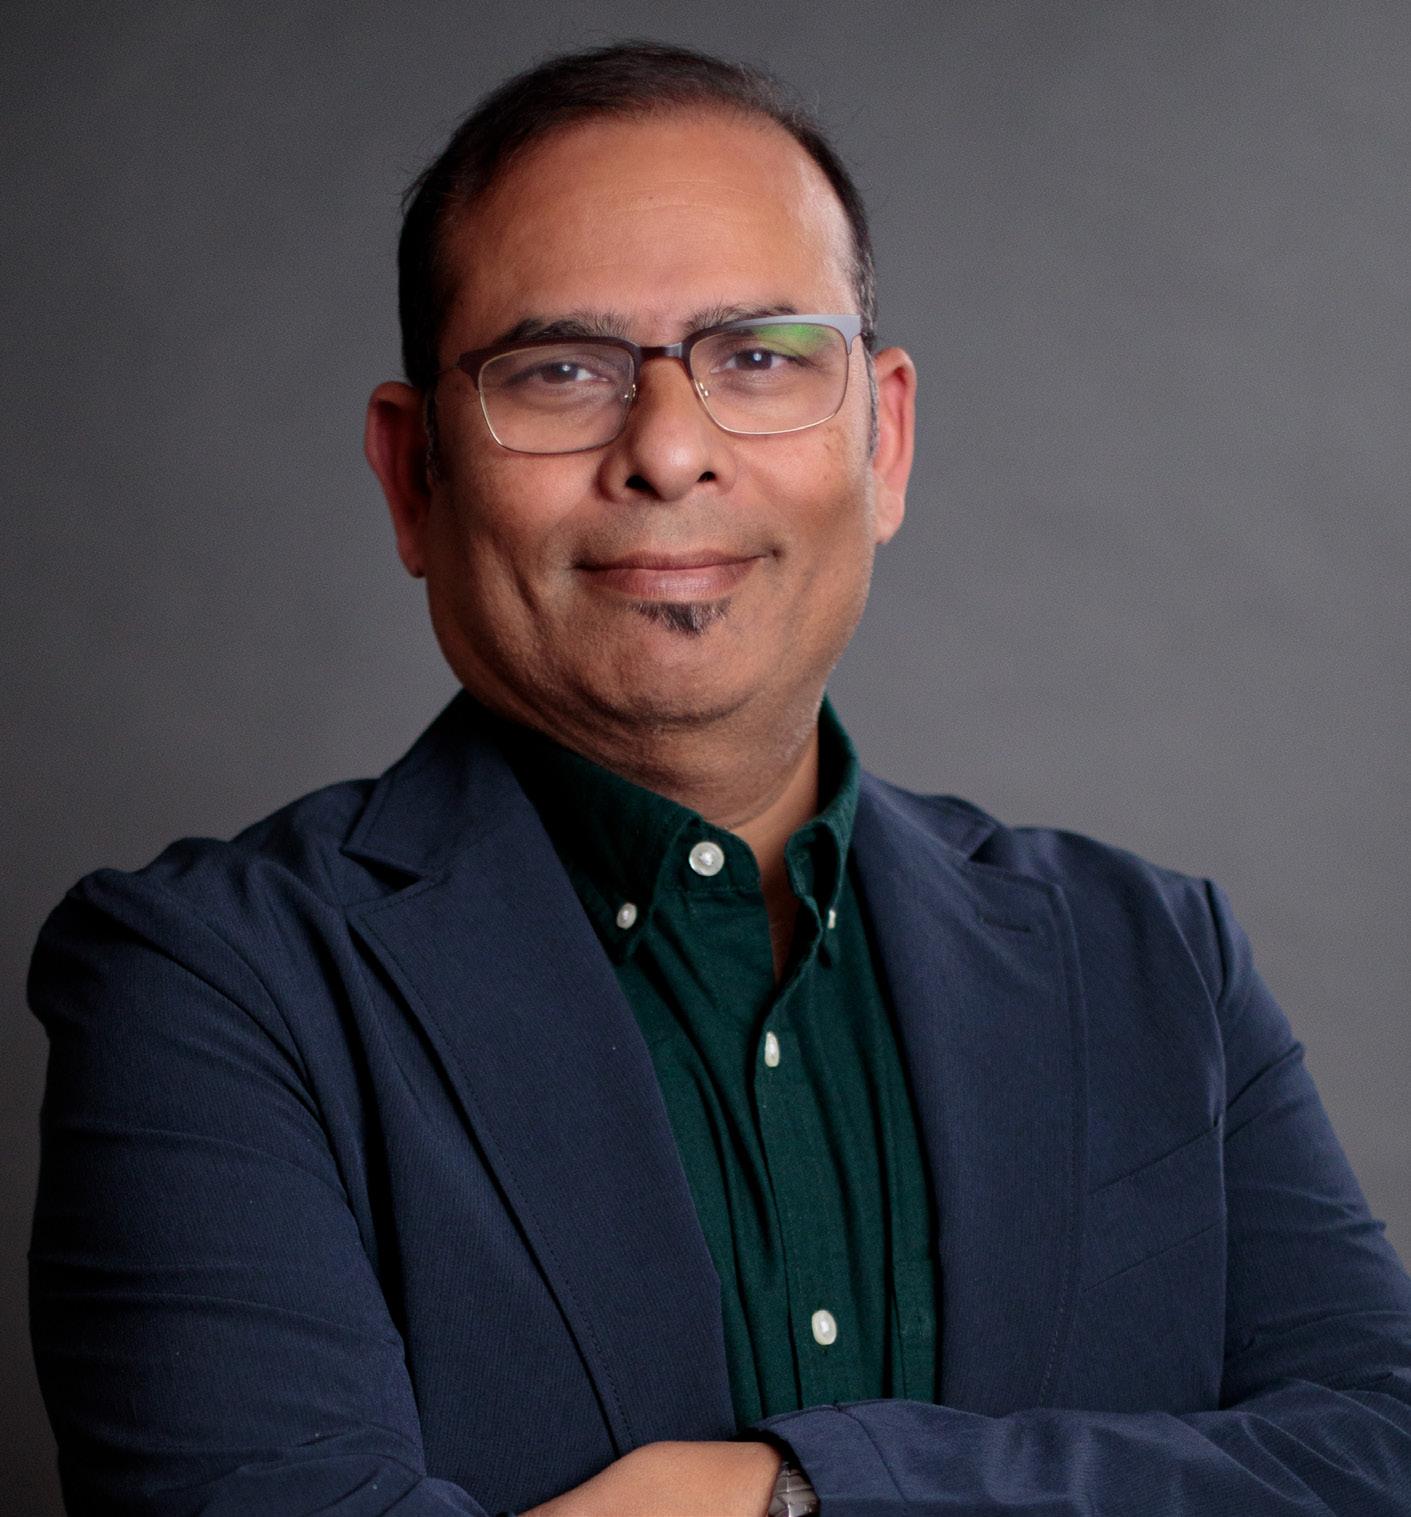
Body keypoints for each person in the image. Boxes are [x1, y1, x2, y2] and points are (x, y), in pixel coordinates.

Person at [27, 40, 1411, 1517]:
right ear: (414, 475)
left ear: (884, 439)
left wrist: (798, 1494)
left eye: (759, 358)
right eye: (560, 370)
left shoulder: (1157, 961)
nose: (671, 451)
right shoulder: (212, 979)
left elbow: (1385, 1454)